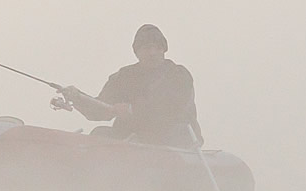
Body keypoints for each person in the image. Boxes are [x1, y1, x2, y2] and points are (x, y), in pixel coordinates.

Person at [61, 24, 203, 148]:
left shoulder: (178, 75)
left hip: (171, 141)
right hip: (132, 140)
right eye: (147, 48)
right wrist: (78, 98)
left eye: (157, 47)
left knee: (178, 131)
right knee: (100, 133)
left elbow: (171, 108)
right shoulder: (124, 77)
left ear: (164, 50)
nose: (152, 53)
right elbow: (100, 108)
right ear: (137, 52)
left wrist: (132, 110)